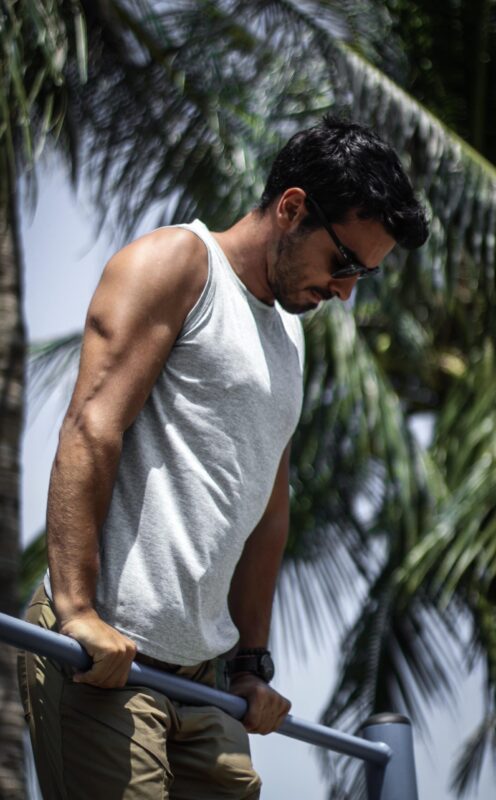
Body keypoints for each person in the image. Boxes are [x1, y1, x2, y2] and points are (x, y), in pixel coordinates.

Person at [18, 116, 428, 799]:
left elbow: (270, 510)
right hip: (105, 657)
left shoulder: (291, 340)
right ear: (292, 207)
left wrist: (252, 665)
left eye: (365, 274)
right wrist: (78, 610)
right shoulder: (179, 264)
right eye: (345, 262)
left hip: (202, 677)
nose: (347, 290)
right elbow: (92, 428)